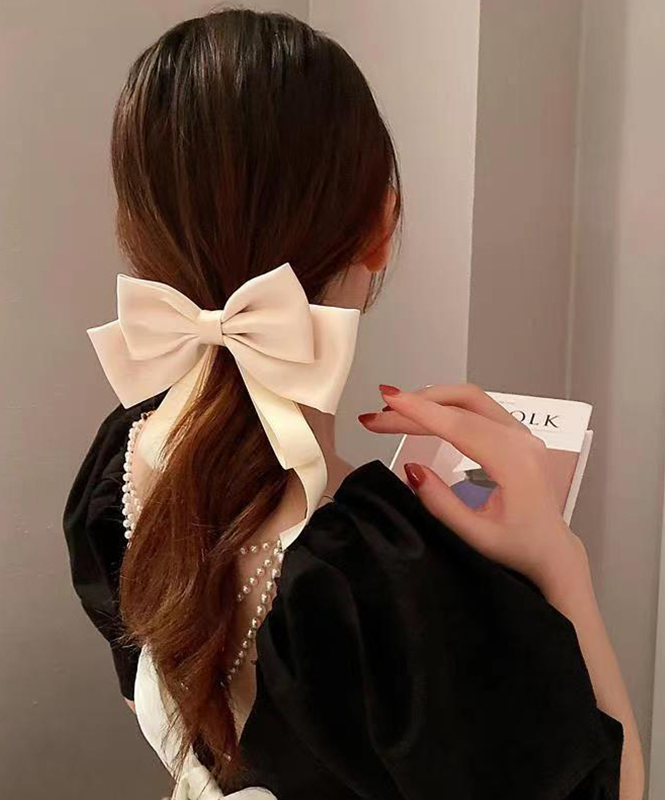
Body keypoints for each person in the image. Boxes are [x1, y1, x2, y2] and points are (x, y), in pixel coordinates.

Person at [63, 9, 644, 799]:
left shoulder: (122, 468)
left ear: (140, 229)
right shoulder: (392, 585)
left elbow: (157, 698)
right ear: (382, 224)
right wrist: (559, 563)